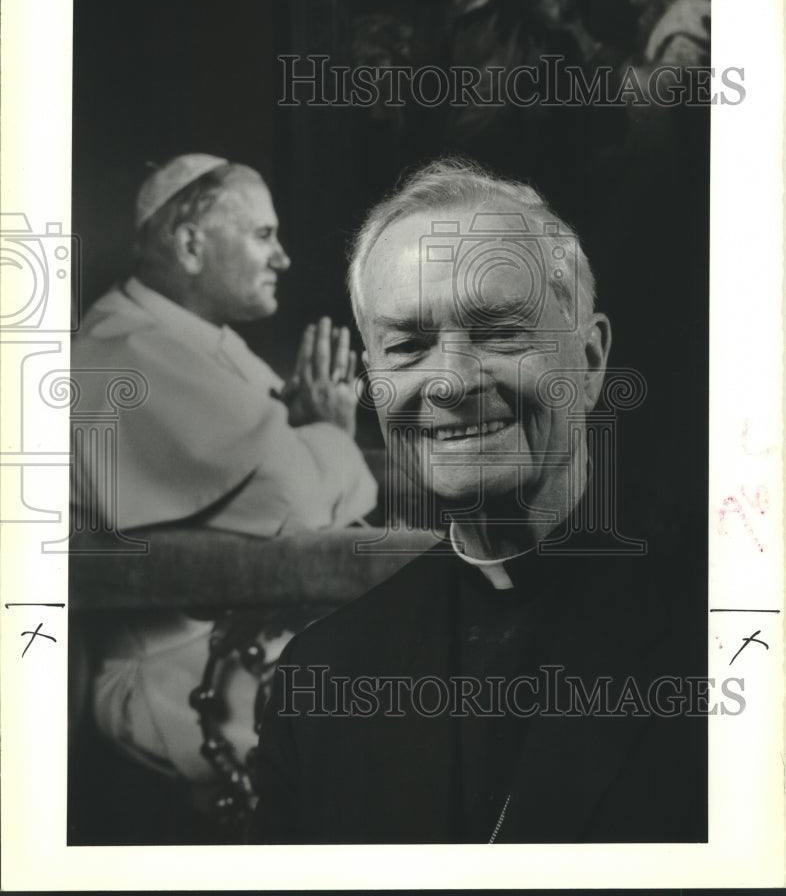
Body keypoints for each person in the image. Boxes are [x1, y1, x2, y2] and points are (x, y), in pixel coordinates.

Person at [252, 158, 706, 844]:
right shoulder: (319, 680)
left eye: (498, 333)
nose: (450, 382)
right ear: (374, 384)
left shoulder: (733, 625)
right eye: (407, 346)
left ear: (588, 362)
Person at [72, 154, 377, 783]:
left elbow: (299, 482)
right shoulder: (126, 348)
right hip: (181, 673)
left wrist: (307, 435)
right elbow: (301, 508)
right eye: (263, 235)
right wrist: (327, 430)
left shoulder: (193, 337)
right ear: (190, 244)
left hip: (247, 643)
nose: (282, 257)